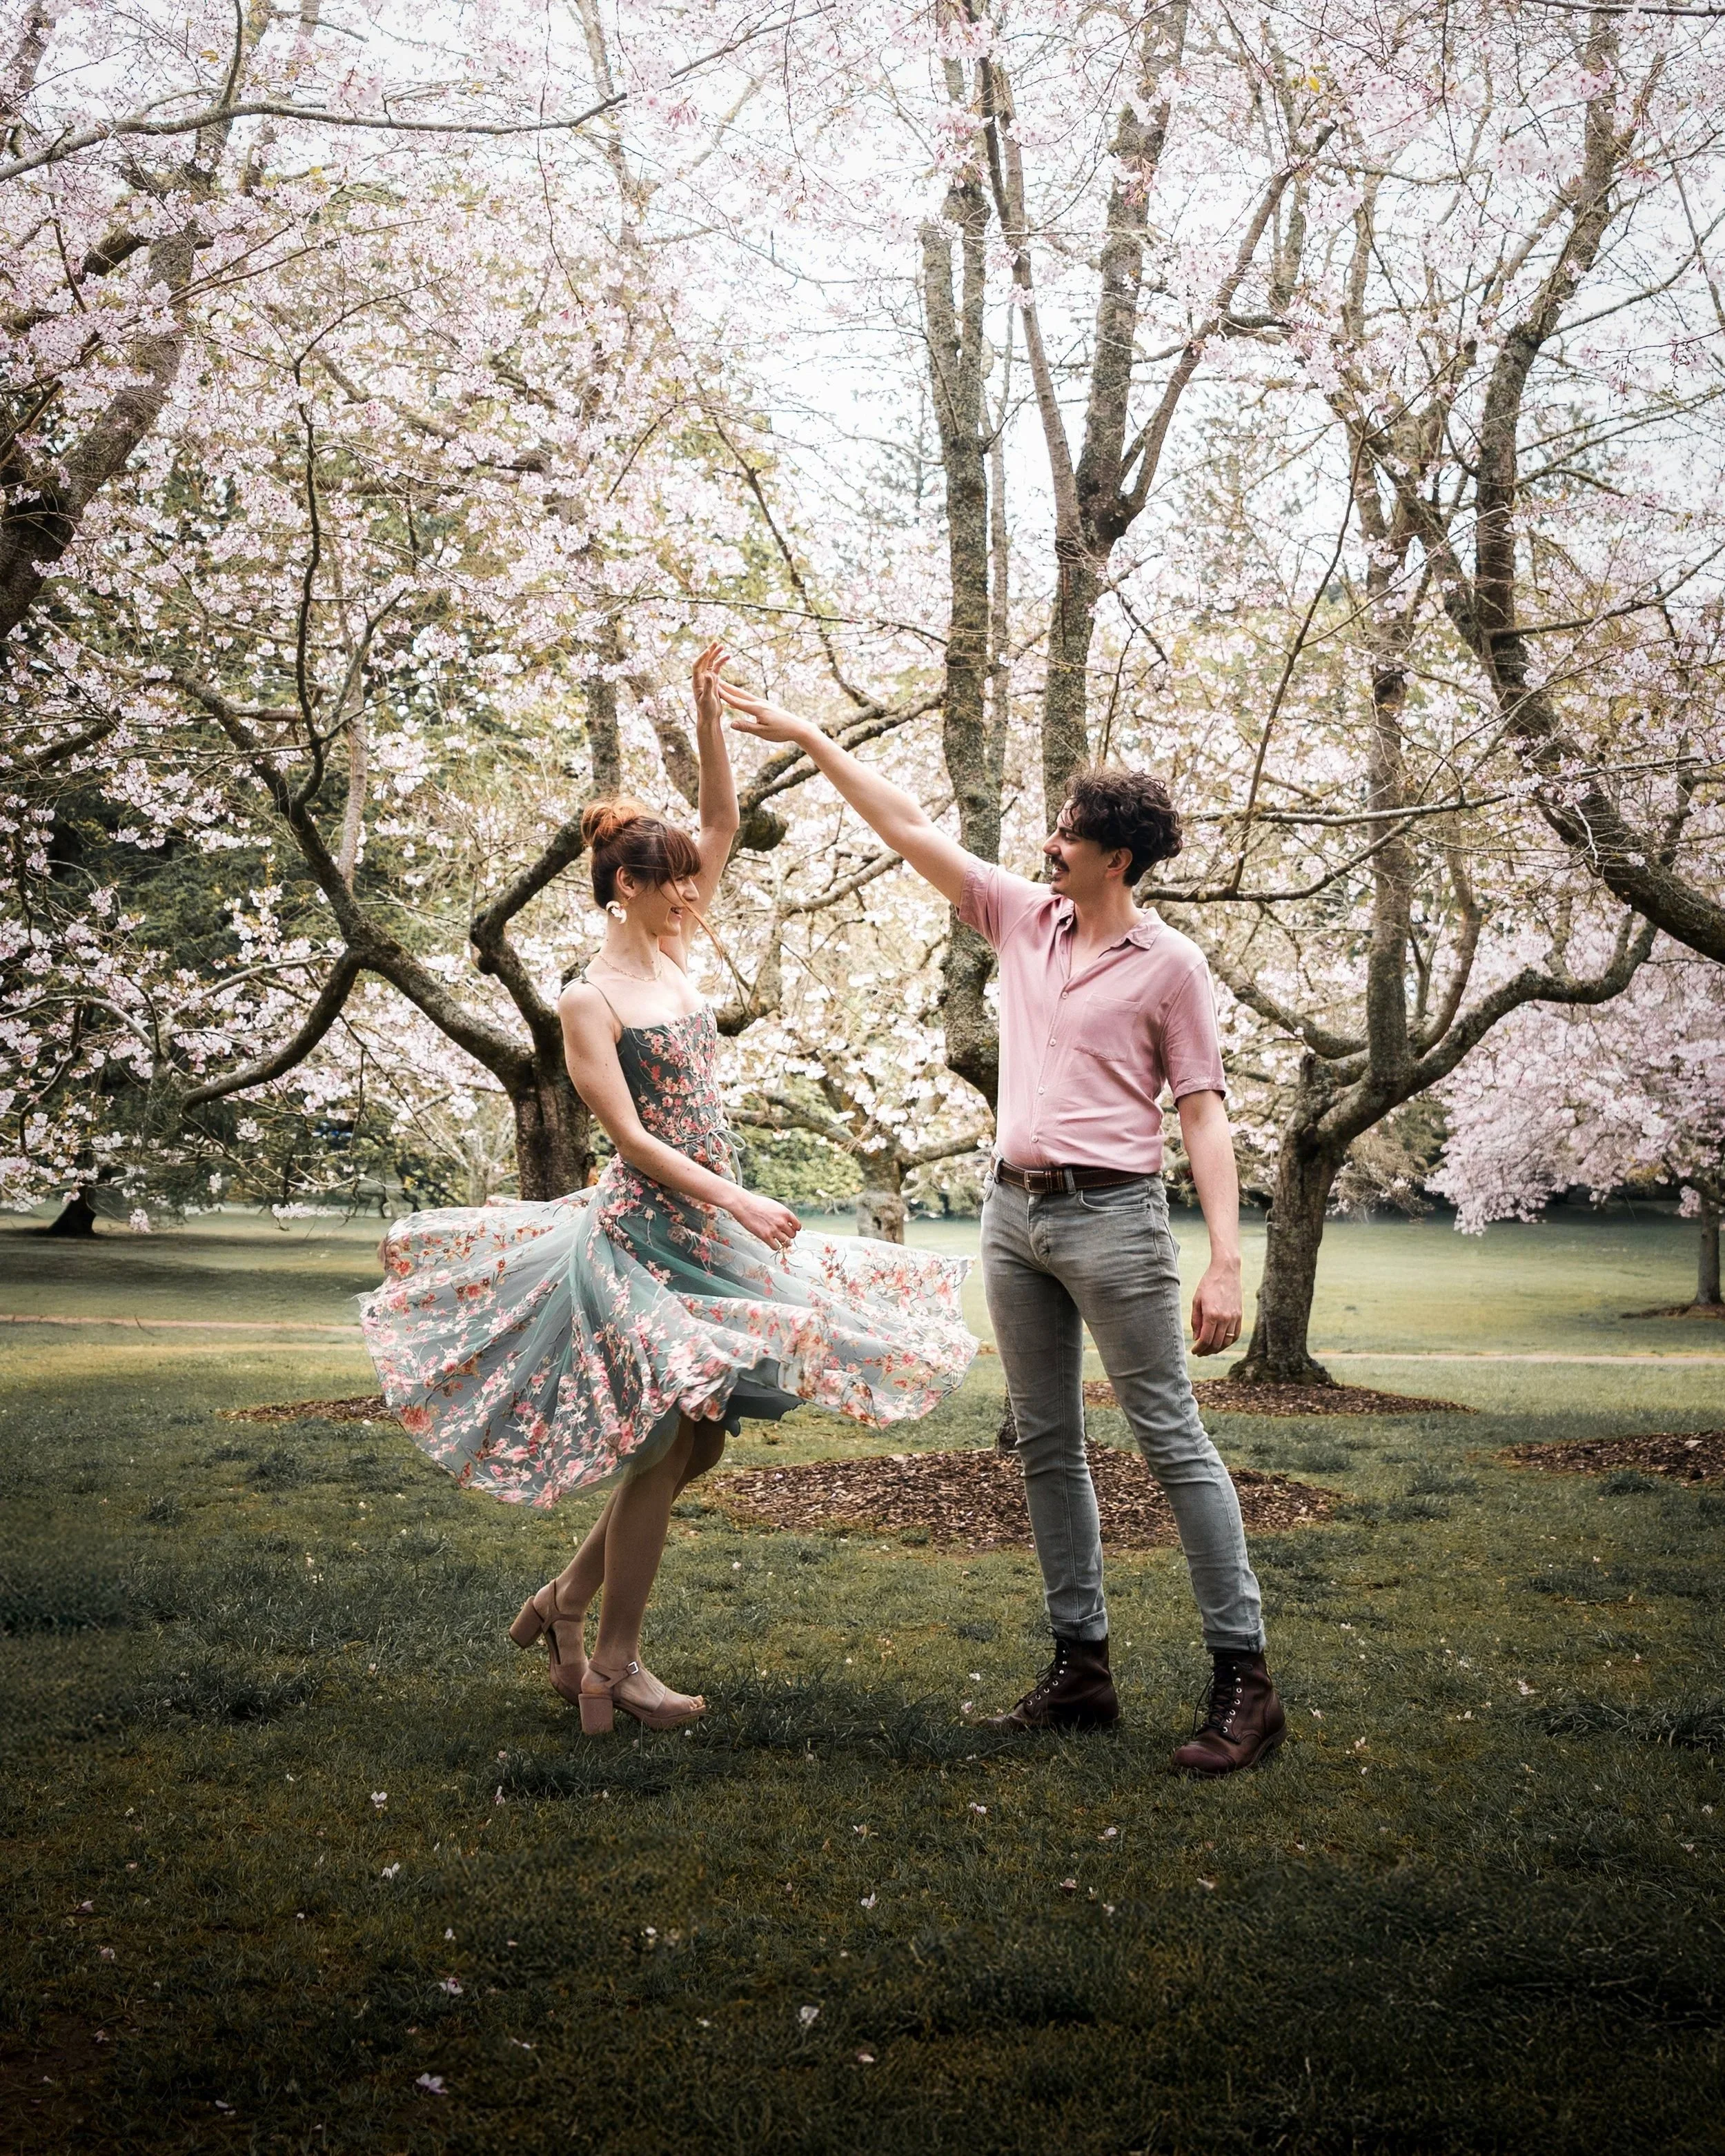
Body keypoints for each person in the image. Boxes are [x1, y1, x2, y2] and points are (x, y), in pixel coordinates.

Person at [360, 645, 976, 1737]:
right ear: (624, 886)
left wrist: (709, 721)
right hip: (645, 1234)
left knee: (703, 1441)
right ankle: (613, 1665)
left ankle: (562, 1604)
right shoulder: (586, 997)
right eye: (673, 878)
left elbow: (723, 822)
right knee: (660, 1439)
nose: (696, 891)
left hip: (710, 1228)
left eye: (694, 878)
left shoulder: (682, 952)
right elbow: (630, 1138)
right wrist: (733, 1199)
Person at [718, 678, 1283, 1775]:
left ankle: (1245, 1684)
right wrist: (814, 738)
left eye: (1069, 834)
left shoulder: (1172, 967)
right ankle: (1082, 1669)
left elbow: (1203, 1111)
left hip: (1116, 1221)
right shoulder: (1023, 917)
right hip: (1012, 1217)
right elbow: (908, 827)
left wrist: (1224, 1258)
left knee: (1171, 1440)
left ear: (1117, 857)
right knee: (1045, 1443)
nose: (1050, 844)